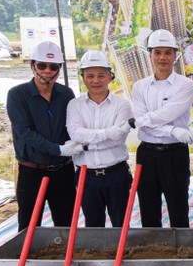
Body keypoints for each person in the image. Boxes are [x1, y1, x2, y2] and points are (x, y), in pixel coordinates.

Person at [7, 40, 79, 231]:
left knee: (66, 225)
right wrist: (57, 149)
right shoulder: (17, 95)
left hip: (63, 170)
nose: (47, 71)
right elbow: (24, 132)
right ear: (33, 66)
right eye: (42, 65)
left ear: (59, 69)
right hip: (32, 171)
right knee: (29, 227)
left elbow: (73, 126)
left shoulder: (66, 94)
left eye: (53, 66)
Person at [131, 29, 193, 228]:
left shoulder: (186, 85)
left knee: (178, 208)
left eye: (168, 52)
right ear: (150, 55)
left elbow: (161, 117)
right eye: (157, 52)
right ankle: (152, 246)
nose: (162, 57)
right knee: (148, 208)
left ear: (175, 55)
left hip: (175, 154)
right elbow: (144, 121)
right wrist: (172, 130)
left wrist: (144, 121)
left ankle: (181, 247)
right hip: (147, 154)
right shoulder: (139, 86)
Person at [65, 50, 133, 227]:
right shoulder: (74, 105)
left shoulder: (122, 105)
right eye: (90, 76)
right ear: (83, 78)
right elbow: (75, 134)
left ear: (110, 77)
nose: (95, 80)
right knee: (93, 226)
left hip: (116, 174)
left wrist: (84, 145)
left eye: (101, 75)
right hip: (86, 176)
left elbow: (118, 139)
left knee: (121, 224)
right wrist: (107, 133)